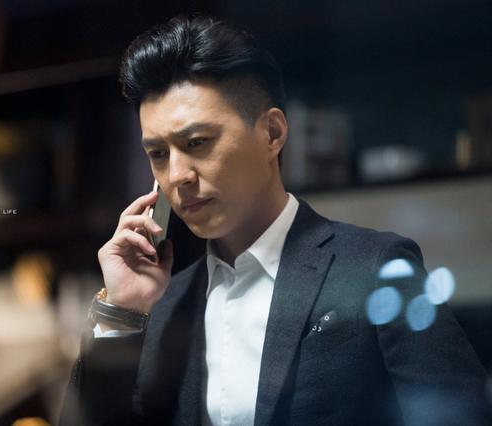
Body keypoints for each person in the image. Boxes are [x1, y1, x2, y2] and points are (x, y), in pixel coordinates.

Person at [60, 15, 489, 426]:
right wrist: (121, 312)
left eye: (197, 142)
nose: (177, 175)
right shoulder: (162, 307)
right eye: (158, 153)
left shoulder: (374, 267)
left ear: (272, 133)